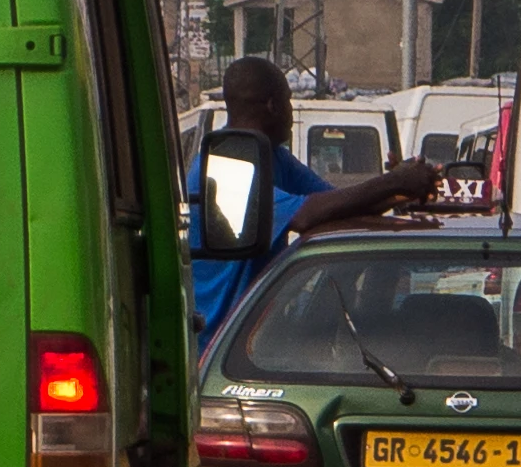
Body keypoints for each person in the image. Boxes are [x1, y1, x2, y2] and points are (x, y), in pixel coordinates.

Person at [186, 55, 439, 339]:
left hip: (253, 336)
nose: (291, 111)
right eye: (288, 100)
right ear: (273, 106)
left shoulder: (272, 156)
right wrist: (393, 182)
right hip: (216, 344)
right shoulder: (220, 166)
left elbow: (336, 205)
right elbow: (306, 216)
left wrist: (399, 190)